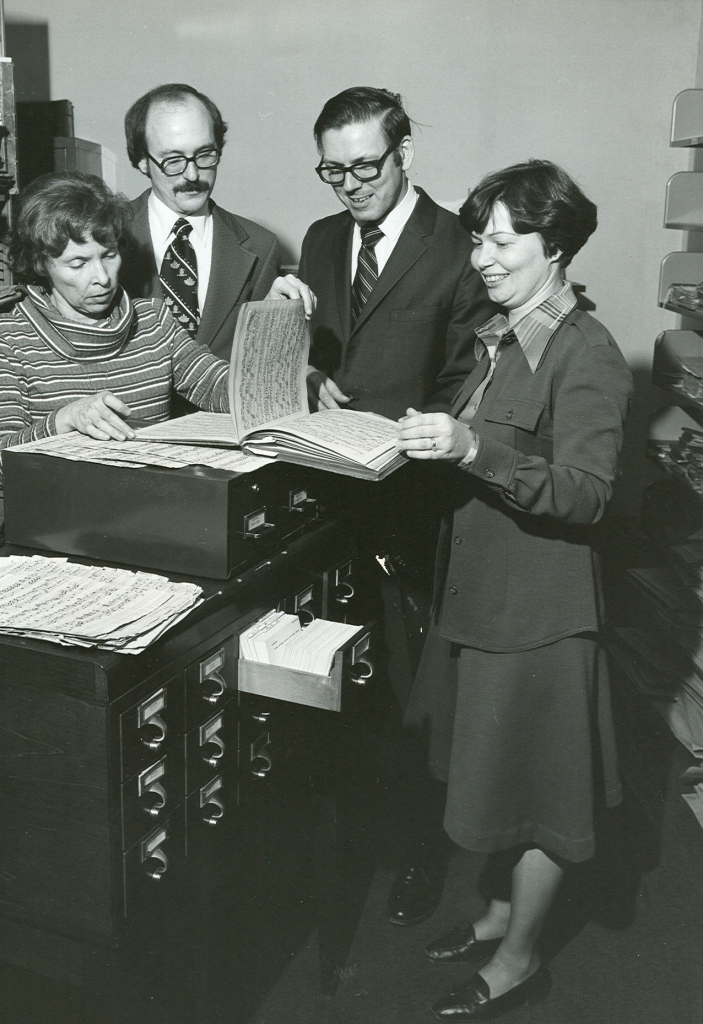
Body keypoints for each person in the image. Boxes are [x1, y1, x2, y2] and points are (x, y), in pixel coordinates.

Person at [397, 159, 633, 1020]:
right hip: (483, 604)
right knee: (495, 782)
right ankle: (498, 915)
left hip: (537, 618)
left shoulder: (587, 353)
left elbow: (586, 491)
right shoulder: (503, 335)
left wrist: (470, 450)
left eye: (502, 241)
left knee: (537, 799)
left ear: (556, 246)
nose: (482, 258)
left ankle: (522, 959)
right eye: (476, 239)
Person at [299, 86, 498, 928]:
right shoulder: (318, 240)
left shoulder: (457, 245)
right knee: (333, 684)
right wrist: (307, 375)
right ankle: (349, 843)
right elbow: (309, 352)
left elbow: (466, 386)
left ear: (404, 152)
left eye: (366, 167)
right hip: (323, 499)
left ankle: (419, 850)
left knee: (415, 694)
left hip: (412, 507)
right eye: (332, 171)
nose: (350, 185)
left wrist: (406, 440)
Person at [0, 171, 230, 488]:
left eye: (109, 254)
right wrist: (63, 420)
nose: (103, 278)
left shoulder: (153, 320)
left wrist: (290, 376)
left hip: (155, 507)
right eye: (78, 263)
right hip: (61, 519)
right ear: (40, 264)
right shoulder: (3, 339)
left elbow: (218, 384)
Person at [120, 83, 309, 366]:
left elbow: (261, 362)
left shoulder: (261, 246)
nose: (193, 174)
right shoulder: (105, 236)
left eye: (205, 154)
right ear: (142, 162)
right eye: (173, 160)